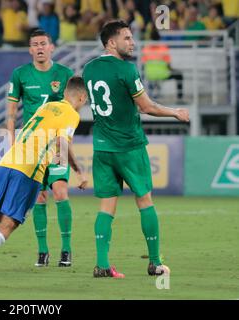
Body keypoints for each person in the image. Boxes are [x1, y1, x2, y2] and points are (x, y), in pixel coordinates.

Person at [82, 20, 189, 278]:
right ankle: (155, 262)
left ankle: (102, 265)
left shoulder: (89, 69)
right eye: (127, 38)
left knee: (107, 206)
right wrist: (175, 112)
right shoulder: (127, 70)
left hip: (102, 147)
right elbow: (147, 106)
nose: (132, 42)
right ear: (111, 42)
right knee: (144, 200)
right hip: (129, 145)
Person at [0, 76, 89, 273]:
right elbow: (63, 142)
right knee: (10, 222)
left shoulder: (47, 107)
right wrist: (79, 171)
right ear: (82, 97)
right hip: (29, 169)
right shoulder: (71, 114)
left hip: (8, 161)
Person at [6, 29, 87, 268]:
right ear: (30, 49)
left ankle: (66, 250)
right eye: (35, 44)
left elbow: (73, 107)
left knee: (61, 191)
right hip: (31, 146)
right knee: (39, 197)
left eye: (43, 43)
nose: (40, 47)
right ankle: (42, 251)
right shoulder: (20, 74)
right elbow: (11, 113)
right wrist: (12, 141)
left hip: (57, 144)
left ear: (51, 47)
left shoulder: (64, 73)